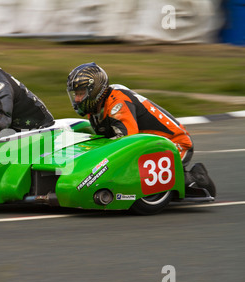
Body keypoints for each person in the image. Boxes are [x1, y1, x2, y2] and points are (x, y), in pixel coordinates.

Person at [66, 62, 215, 196]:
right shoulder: (96, 108)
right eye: (75, 95)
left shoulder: (118, 102)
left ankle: (194, 178)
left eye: (81, 93)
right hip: (149, 146)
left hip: (175, 144)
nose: (77, 99)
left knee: (133, 175)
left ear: (95, 90)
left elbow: (128, 142)